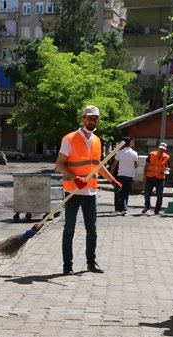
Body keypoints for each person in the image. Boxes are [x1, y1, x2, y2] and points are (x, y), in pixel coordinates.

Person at [55, 105, 122, 275]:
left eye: (95, 118)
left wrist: (113, 180)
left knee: (92, 229)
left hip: (91, 192)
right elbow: (59, 165)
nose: (92, 121)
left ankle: (91, 262)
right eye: (89, 117)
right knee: (69, 229)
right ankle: (67, 265)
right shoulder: (69, 139)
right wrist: (74, 178)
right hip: (72, 191)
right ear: (82, 118)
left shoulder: (97, 140)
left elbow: (97, 166)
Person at [109, 136, 138, 215]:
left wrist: (111, 172)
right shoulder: (134, 153)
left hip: (121, 175)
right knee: (126, 192)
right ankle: (124, 207)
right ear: (130, 143)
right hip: (130, 175)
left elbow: (114, 164)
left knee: (121, 192)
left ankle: (123, 208)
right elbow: (136, 165)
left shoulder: (120, 152)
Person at [142, 142, 170, 215]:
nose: (161, 150)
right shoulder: (152, 154)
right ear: (158, 148)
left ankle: (157, 210)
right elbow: (146, 166)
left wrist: (166, 170)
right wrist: (144, 176)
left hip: (160, 179)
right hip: (150, 177)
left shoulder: (167, 157)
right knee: (147, 194)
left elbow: (168, 168)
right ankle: (147, 206)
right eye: (160, 148)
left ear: (165, 150)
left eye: (163, 149)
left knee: (160, 196)